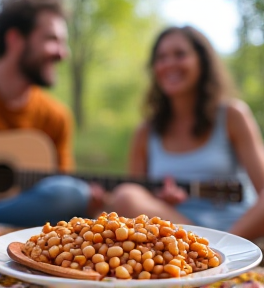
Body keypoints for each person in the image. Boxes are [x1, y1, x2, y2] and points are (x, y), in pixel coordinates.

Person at [107, 25, 264, 240]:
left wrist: (228, 242)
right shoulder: (145, 132)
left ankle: (215, 250)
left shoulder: (232, 115)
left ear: (202, 61)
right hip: (174, 235)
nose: (169, 64)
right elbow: (137, 201)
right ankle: (196, 248)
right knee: (126, 195)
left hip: (234, 234)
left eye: (180, 54)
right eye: (161, 58)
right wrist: (158, 200)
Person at [0, 0, 103, 235]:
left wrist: (91, 198)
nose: (62, 53)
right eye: (52, 39)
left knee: (72, 193)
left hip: (9, 209)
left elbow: (61, 189)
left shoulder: (56, 116)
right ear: (15, 39)